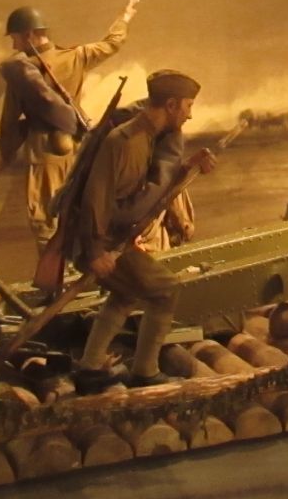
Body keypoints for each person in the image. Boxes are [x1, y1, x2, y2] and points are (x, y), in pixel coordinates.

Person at [73, 70, 216, 392]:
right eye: (188, 106)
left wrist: (189, 166)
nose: (190, 114)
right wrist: (95, 252)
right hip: (101, 239)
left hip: (113, 236)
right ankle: (145, 371)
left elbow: (153, 187)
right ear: (171, 105)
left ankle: (89, 368)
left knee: (125, 293)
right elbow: (95, 198)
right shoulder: (122, 141)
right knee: (166, 289)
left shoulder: (150, 136)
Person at [0, 0, 138, 253]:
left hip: (43, 155)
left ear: (29, 35)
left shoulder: (22, 71)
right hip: (77, 149)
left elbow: (8, 121)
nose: (14, 45)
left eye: (15, 38)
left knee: (44, 220)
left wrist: (6, 151)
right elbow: (112, 43)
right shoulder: (76, 56)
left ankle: (53, 274)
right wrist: (124, 18)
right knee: (76, 211)